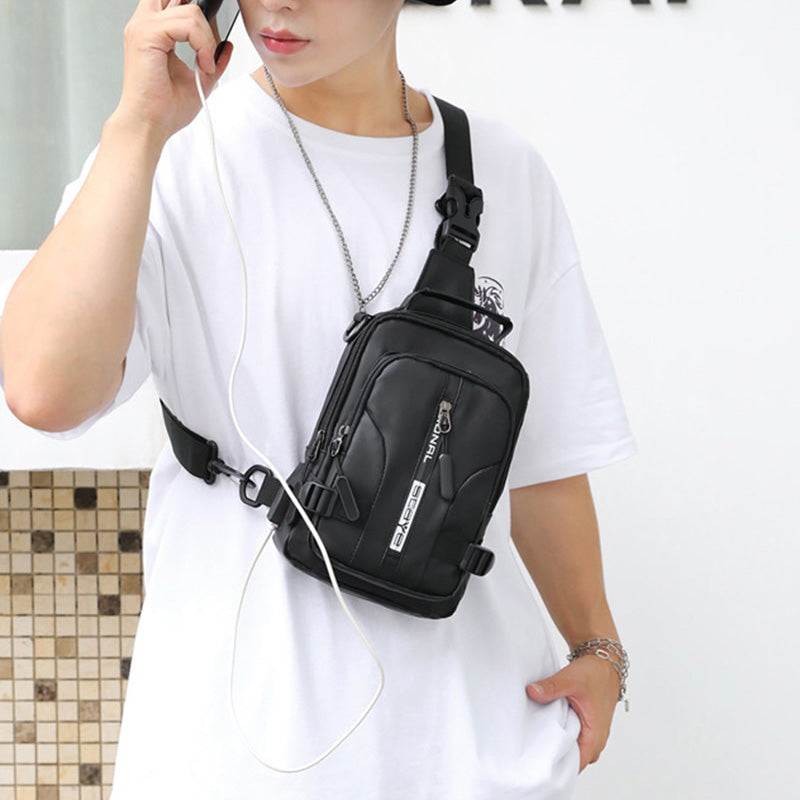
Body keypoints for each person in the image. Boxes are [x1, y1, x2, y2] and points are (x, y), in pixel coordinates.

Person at [0, 0, 637, 797]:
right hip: (241, 755)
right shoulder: (172, 154)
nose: (278, 4)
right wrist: (135, 127)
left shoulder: (505, 170)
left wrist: (599, 649)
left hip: (472, 750)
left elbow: (541, 459)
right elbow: (42, 391)